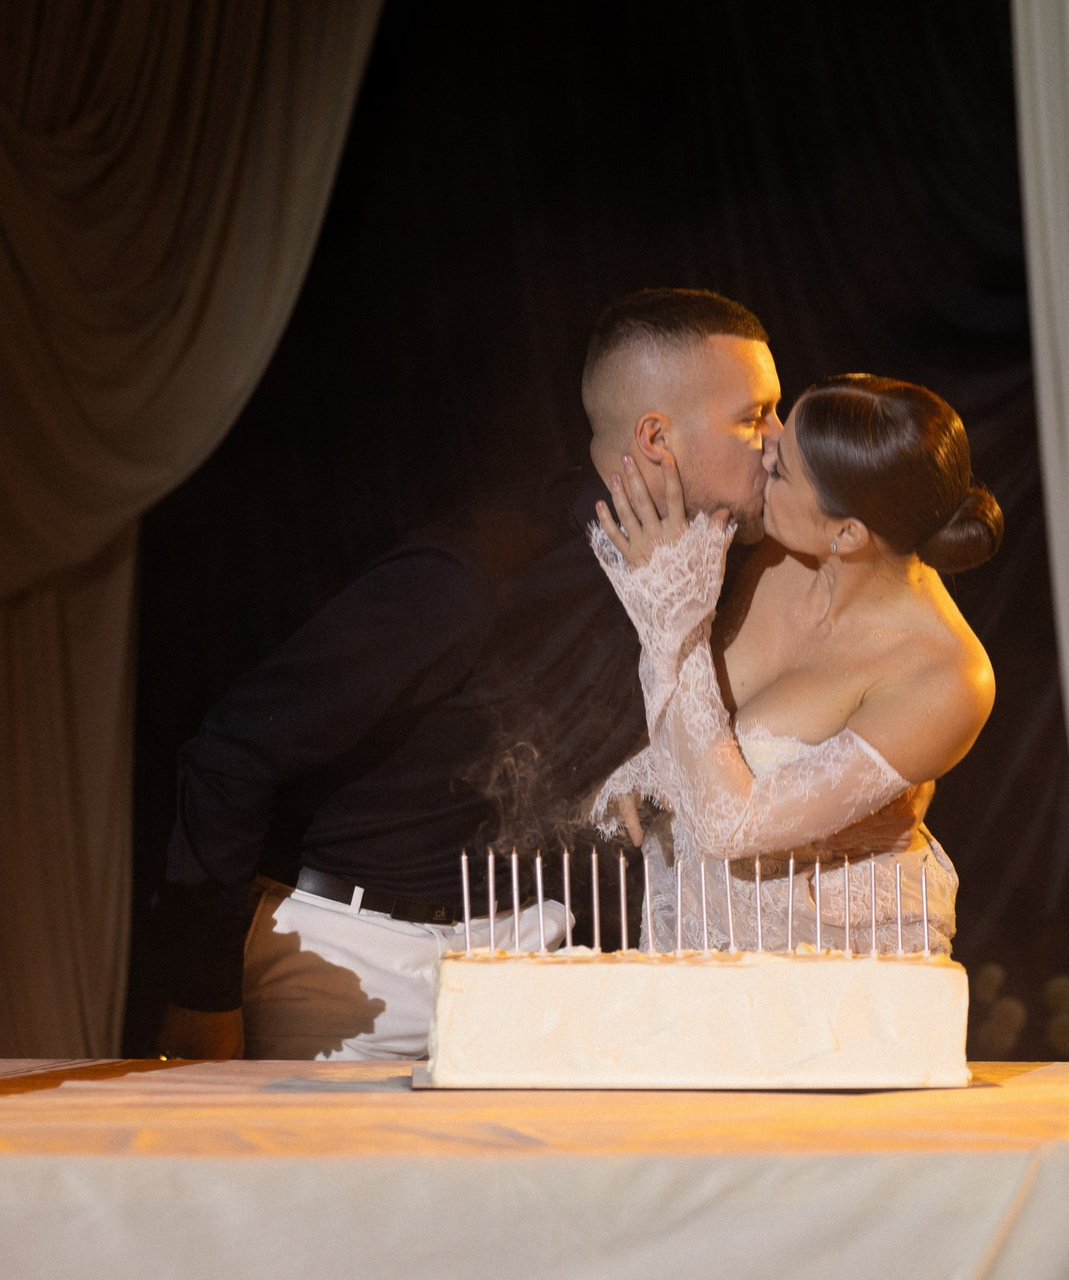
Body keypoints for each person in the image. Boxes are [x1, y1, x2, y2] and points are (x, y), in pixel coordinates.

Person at [156, 288, 782, 1060]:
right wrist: (201, 995)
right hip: (350, 958)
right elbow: (232, 751)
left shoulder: (715, 578)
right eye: (755, 416)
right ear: (656, 438)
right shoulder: (481, 575)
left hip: (522, 955)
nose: (779, 441)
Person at [590, 373, 999, 953]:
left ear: (847, 533)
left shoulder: (946, 676)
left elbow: (731, 825)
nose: (765, 446)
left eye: (781, 468)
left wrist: (671, 613)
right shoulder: (783, 550)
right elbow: (706, 722)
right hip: (699, 938)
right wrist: (648, 771)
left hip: (830, 967)